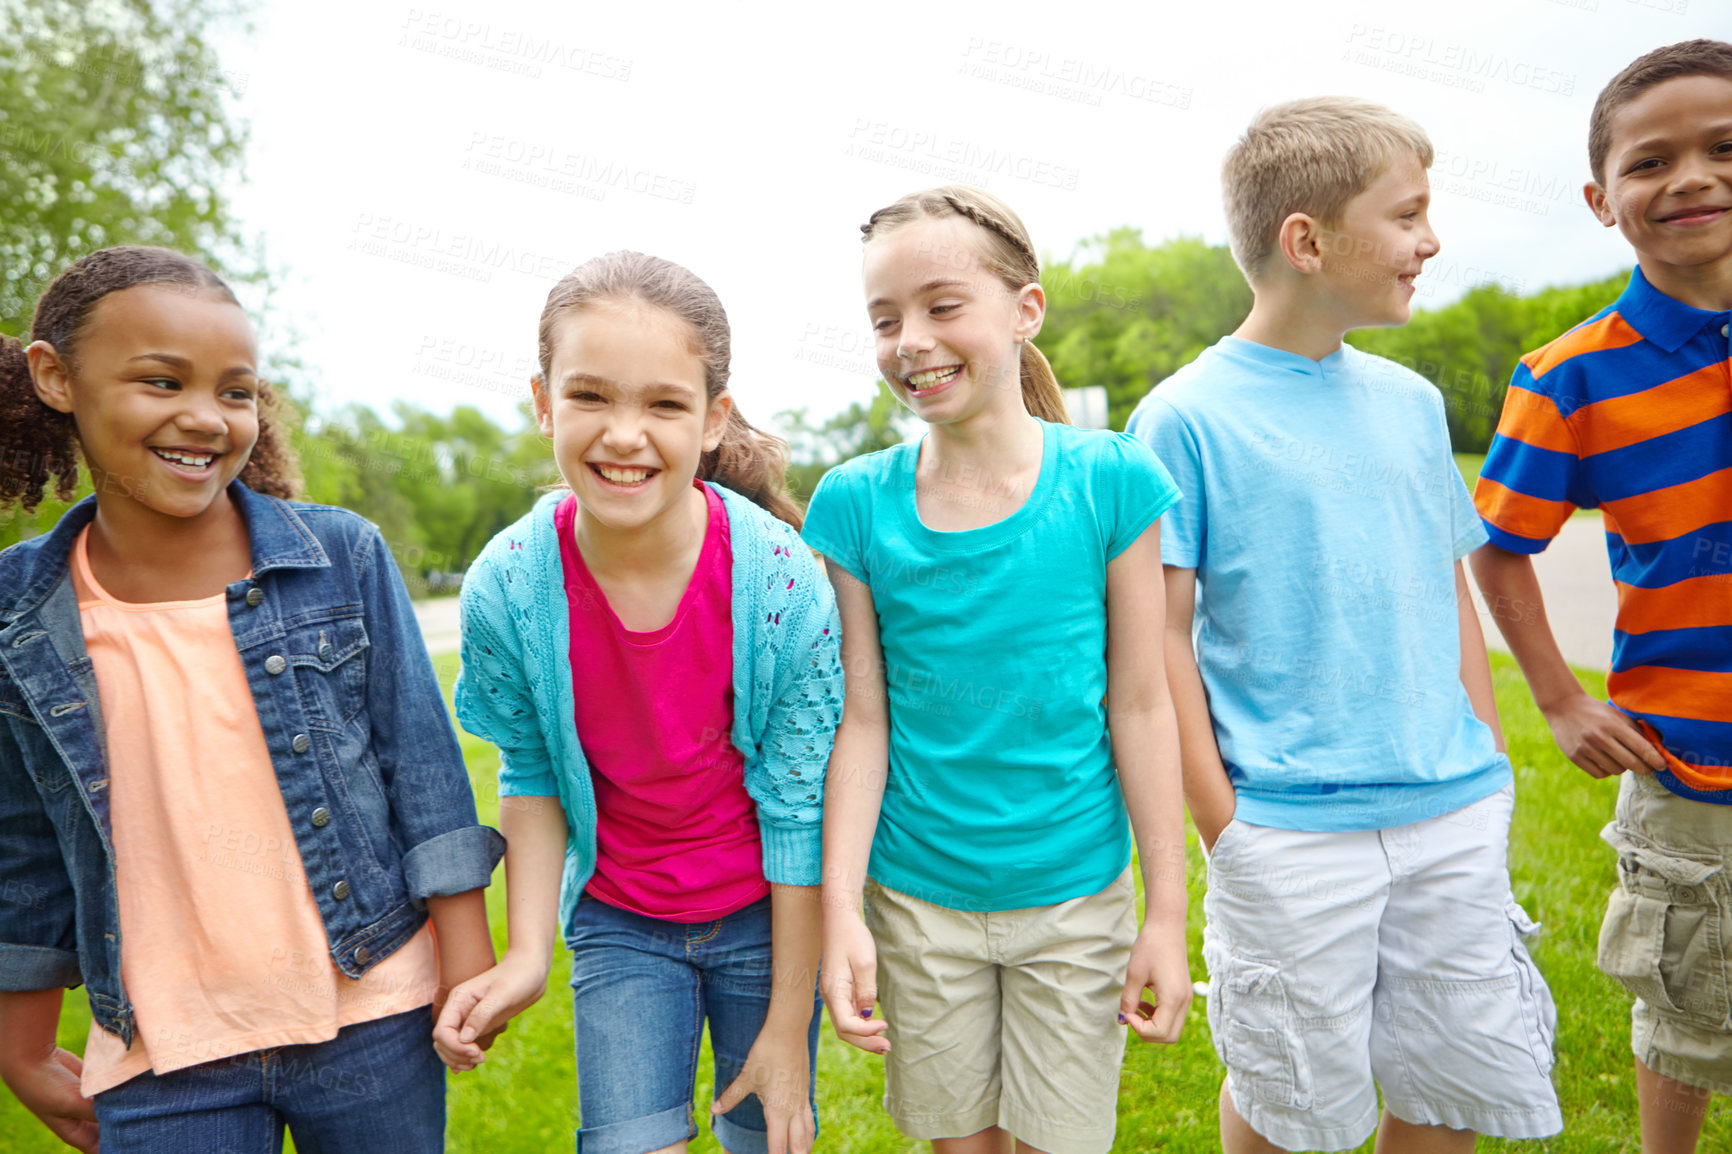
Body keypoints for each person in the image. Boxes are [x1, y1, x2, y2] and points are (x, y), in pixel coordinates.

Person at [1128, 99, 1563, 1152]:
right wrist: (1225, 825)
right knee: (1292, 1094)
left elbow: (1444, 586)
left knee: (1448, 1078)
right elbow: (1158, 643)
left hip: (1451, 811)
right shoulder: (1182, 418)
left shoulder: (1413, 401)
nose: (1432, 239)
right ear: (1306, 241)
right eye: (1407, 214)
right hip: (1285, 830)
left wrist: (1490, 757)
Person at [0, 245, 502, 1154]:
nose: (205, 418)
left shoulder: (340, 555)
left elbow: (421, 765)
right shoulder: (17, 609)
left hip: (369, 1013)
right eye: (162, 382)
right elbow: (22, 840)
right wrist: (23, 1043)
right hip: (159, 1051)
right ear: (55, 377)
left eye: (236, 392)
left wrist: (466, 950)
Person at [806, 185, 1191, 1154]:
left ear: (1024, 310)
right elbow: (863, 719)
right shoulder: (854, 503)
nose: (909, 340)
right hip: (918, 897)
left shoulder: (1109, 480)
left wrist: (1167, 912)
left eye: (942, 306)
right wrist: (842, 909)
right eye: (884, 317)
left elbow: (1142, 705)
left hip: (1074, 895)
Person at [439, 251, 840, 1154]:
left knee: (765, 1140)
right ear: (543, 403)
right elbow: (532, 766)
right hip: (623, 919)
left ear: (711, 421)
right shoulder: (508, 584)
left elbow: (797, 806)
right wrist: (528, 953)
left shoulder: (779, 580)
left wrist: (787, 1022)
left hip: (765, 918)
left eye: (663, 404)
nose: (625, 435)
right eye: (590, 397)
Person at [1470, 39, 1732, 1154]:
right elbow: (1495, 546)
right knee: (1684, 996)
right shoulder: (1570, 374)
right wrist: (1559, 700)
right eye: (1650, 161)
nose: (1690, 178)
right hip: (1689, 760)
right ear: (1600, 198)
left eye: (1722, 148)